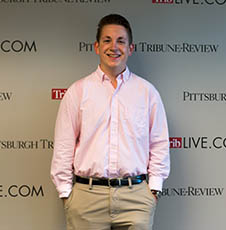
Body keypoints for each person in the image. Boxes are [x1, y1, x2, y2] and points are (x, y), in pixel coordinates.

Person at [51, 14, 170, 230]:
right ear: (96, 47)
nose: (113, 47)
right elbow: (63, 146)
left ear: (130, 48)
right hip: (87, 199)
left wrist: (154, 190)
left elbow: (159, 143)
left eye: (120, 41)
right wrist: (66, 194)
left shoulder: (147, 93)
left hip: (136, 199)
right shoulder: (78, 91)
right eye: (107, 40)